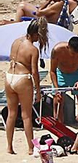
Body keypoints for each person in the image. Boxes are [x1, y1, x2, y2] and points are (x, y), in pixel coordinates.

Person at [5, 17, 44, 155]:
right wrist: (38, 90)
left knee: (11, 114)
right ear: (34, 34)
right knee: (26, 115)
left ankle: (9, 147)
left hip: (9, 76)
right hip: (23, 78)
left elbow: (11, 57)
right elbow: (34, 71)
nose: (39, 39)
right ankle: (30, 148)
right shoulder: (33, 49)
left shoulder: (16, 41)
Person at [48, 35, 78, 123]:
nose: (75, 56)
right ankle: (59, 125)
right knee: (57, 101)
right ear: (68, 47)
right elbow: (52, 71)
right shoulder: (57, 50)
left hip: (77, 74)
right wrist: (56, 89)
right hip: (61, 74)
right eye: (73, 54)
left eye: (77, 54)